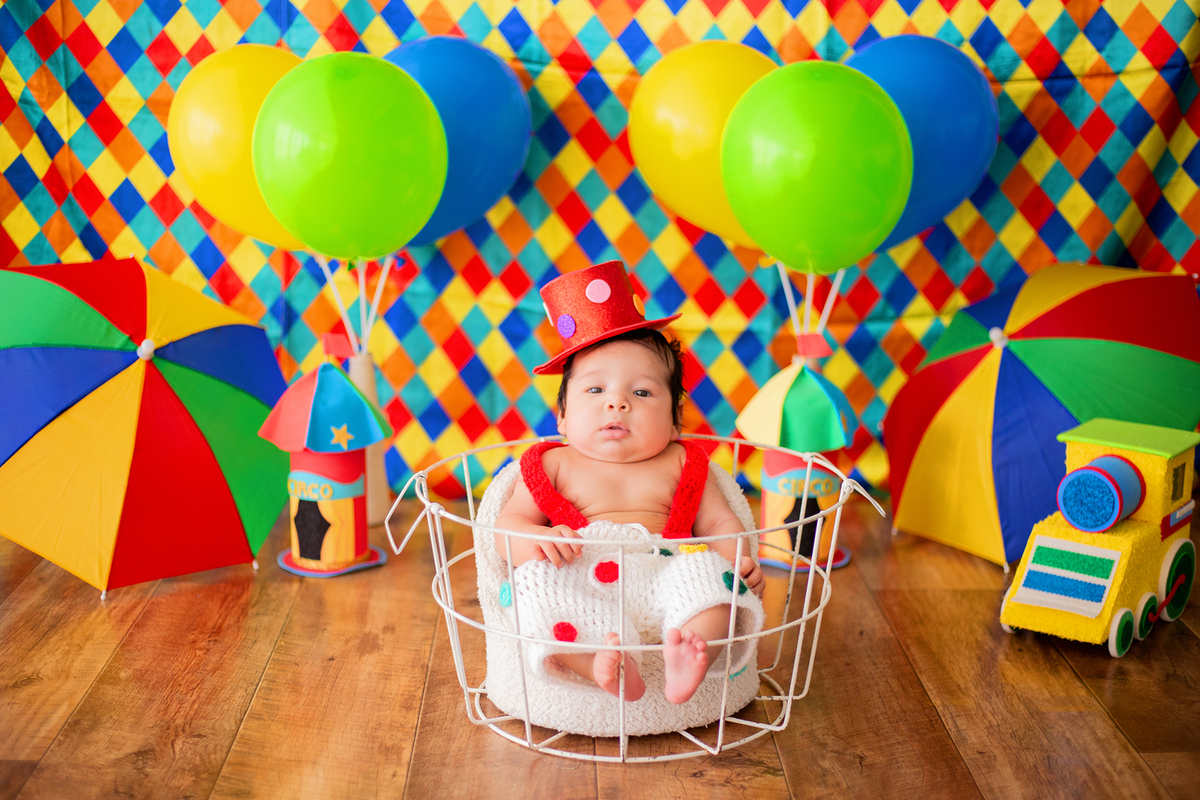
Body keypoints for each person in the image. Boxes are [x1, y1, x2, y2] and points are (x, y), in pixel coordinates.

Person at [494, 260, 764, 704]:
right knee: (532, 587)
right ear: (562, 416)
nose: (617, 403)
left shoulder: (682, 461)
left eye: (641, 393)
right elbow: (507, 527)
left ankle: (690, 652)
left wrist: (737, 561)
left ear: (675, 420)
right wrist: (537, 541)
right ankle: (600, 664)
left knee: (711, 579)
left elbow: (719, 523)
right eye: (595, 390)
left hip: (668, 574)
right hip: (581, 578)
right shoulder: (553, 464)